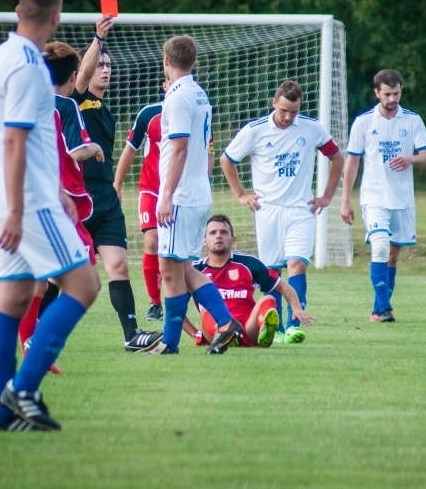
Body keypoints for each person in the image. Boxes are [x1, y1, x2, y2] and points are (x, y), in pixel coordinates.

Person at [0, 0, 100, 432]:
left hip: (9, 193)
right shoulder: (30, 65)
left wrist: (58, 193)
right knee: (85, 285)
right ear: (56, 18)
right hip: (23, 199)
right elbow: (16, 141)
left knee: (10, 299)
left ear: (17, 10)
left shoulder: (0, 56)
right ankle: (24, 387)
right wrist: (21, 207)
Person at [220, 80, 344, 344]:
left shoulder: (311, 129)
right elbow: (227, 159)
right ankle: (272, 329)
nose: (288, 117)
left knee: (297, 264)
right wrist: (241, 195)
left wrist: (328, 195)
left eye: (294, 112)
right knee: (271, 272)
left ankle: (293, 325)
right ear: (274, 103)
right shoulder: (255, 131)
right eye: (284, 110)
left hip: (301, 209)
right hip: (268, 211)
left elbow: (337, 157)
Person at [72, 16, 162, 352]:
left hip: (105, 197)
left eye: (109, 65)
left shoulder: (103, 107)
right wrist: (98, 38)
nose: (105, 70)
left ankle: (132, 335)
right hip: (79, 196)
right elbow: (81, 76)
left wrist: (115, 184)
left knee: (119, 265)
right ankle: (35, 328)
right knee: (63, 275)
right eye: (100, 65)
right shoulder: (76, 100)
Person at [17, 39, 106, 376]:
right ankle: (37, 343)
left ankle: (30, 344)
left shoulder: (33, 103)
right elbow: (73, 150)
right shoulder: (64, 105)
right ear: (72, 76)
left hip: (38, 199)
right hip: (63, 203)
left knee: (41, 282)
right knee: (89, 285)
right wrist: (93, 145)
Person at [147, 35, 240, 356]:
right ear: (194, 61)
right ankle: (218, 326)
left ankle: (186, 337)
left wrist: (166, 195)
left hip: (182, 196)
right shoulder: (198, 93)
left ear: (166, 61)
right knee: (182, 268)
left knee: (171, 269)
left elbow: (181, 148)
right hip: (197, 191)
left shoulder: (178, 98)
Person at [340, 69, 426, 322]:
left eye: (397, 93)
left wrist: (410, 158)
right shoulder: (364, 122)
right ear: (377, 93)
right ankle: (384, 307)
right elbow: (352, 163)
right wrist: (346, 200)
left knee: (393, 254)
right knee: (379, 247)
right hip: (374, 198)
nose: (393, 98)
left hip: (402, 200)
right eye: (388, 94)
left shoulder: (412, 120)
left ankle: (377, 310)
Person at [182, 215, 315, 348]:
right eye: (213, 233)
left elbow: (283, 287)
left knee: (269, 299)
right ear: (204, 240)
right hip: (215, 329)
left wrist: (296, 308)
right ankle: (226, 334)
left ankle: (264, 332)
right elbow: (176, 306)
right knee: (206, 307)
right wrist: (195, 334)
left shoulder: (249, 264)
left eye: (224, 232)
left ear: (233, 239)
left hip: (247, 327)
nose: (218, 236)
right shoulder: (195, 270)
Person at [113, 78, 170, 322]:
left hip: (179, 192)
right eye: (170, 80)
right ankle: (155, 303)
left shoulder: (195, 111)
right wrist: (117, 184)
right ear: (165, 84)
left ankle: (180, 298)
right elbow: (130, 149)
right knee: (152, 241)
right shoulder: (150, 114)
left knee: (175, 250)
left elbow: (206, 151)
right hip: (151, 190)